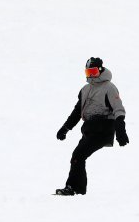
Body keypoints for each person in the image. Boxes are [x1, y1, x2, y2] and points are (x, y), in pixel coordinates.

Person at [55, 58, 128, 196]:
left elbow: (118, 109)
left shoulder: (109, 87)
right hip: (89, 129)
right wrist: (65, 128)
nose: (91, 75)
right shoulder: (85, 89)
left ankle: (72, 187)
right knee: (76, 157)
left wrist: (120, 130)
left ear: (100, 70)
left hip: (103, 129)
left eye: (93, 72)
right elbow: (77, 112)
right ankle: (78, 189)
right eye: (88, 72)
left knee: (78, 155)